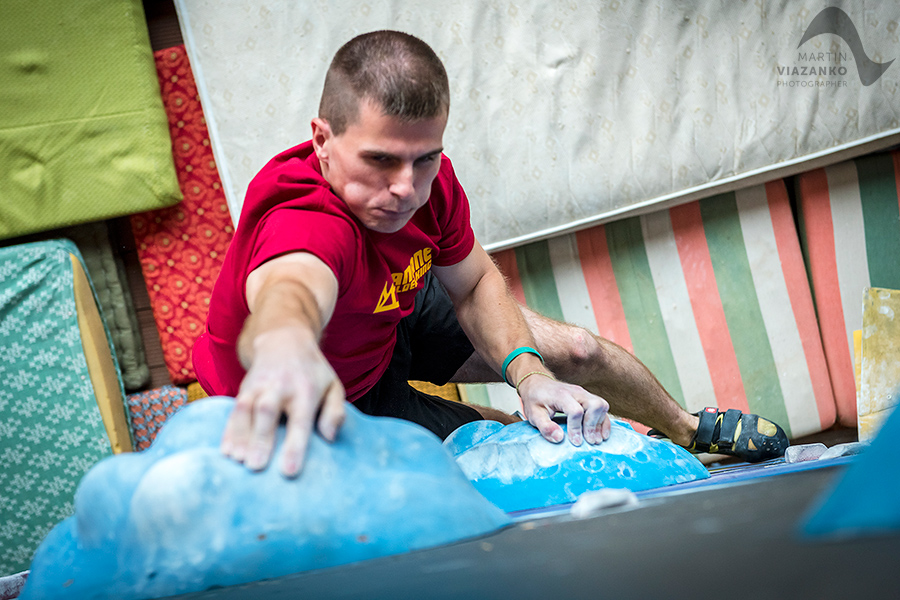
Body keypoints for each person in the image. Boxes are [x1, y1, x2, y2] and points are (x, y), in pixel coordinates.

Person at [192, 30, 788, 478]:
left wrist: (527, 375)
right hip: (324, 403)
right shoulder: (305, 219)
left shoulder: (429, 183)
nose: (405, 187)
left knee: (571, 355)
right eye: (379, 160)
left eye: (423, 157)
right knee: (520, 445)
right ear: (322, 139)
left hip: (389, 311)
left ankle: (684, 429)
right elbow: (291, 291)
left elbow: (474, 283)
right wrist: (285, 346)